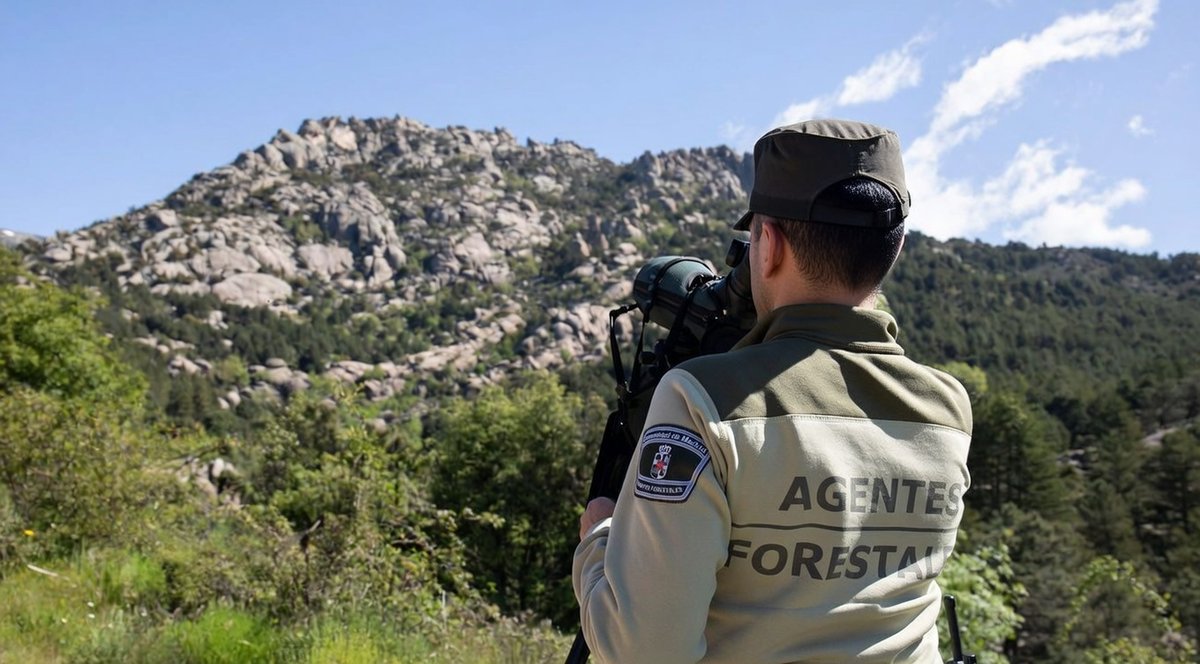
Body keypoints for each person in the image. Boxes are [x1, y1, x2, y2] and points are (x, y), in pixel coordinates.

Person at [572, 119, 973, 663]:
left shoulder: (701, 398)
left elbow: (645, 651)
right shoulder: (948, 410)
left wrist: (599, 539)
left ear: (768, 245)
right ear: (894, 248)